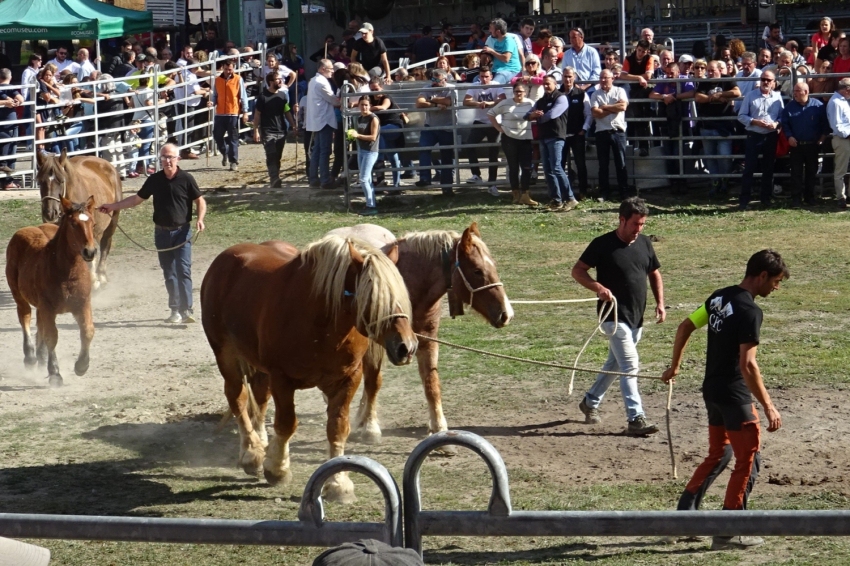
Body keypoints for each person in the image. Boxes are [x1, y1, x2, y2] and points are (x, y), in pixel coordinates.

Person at [662, 250, 788, 550]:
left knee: (720, 453)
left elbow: (685, 326)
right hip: (734, 396)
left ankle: (685, 518)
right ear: (761, 276)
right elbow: (748, 365)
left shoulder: (720, 298)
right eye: (776, 281)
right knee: (748, 459)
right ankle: (729, 531)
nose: (776, 288)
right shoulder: (750, 311)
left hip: (712, 391)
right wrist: (769, 405)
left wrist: (675, 365)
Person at [572, 197, 665, 436]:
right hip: (612, 317)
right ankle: (636, 419)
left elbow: (654, 273)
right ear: (622, 220)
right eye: (635, 224)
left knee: (615, 364)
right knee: (629, 365)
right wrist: (598, 288)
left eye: (642, 224)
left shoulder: (644, 243)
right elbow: (578, 271)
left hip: (636, 316)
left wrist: (660, 303)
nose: (639, 229)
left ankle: (590, 401)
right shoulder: (602, 244)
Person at [98, 143, 206, 324]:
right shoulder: (155, 180)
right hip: (162, 233)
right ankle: (175, 310)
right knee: (169, 272)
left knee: (183, 270)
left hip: (182, 232)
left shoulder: (186, 179)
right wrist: (113, 206)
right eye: (164, 157)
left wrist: (200, 219)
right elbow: (136, 199)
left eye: (171, 157)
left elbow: (200, 201)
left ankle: (186, 310)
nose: (167, 161)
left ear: (178, 159)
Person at [527, 75, 578, 211]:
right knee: (548, 169)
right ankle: (556, 200)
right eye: (544, 84)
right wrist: (532, 115)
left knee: (556, 167)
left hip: (556, 136)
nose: (546, 86)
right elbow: (527, 115)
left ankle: (570, 198)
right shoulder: (541, 101)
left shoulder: (561, 98)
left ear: (555, 84)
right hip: (543, 137)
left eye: (548, 83)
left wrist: (537, 117)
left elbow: (552, 114)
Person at [737, 69, 783, 210]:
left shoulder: (777, 97)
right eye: (763, 79)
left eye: (769, 80)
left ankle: (765, 199)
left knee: (768, 169)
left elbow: (782, 116)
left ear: (773, 82)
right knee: (749, 168)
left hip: (770, 135)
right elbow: (741, 115)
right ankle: (744, 200)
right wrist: (754, 121)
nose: (766, 82)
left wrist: (776, 124)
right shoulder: (750, 96)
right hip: (754, 135)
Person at [695, 60, 741, 197]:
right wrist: (712, 98)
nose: (710, 73)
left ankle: (724, 181)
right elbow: (698, 97)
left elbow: (737, 92)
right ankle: (715, 182)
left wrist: (721, 94)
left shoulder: (727, 80)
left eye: (712, 70)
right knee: (710, 157)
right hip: (707, 126)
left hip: (724, 127)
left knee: (725, 157)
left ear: (720, 70)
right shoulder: (704, 82)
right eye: (708, 70)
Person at [649, 61, 696, 195]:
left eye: (672, 74)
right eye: (667, 73)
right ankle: (673, 182)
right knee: (669, 154)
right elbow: (652, 94)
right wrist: (664, 96)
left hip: (682, 122)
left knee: (680, 153)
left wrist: (674, 97)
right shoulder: (664, 82)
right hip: (667, 124)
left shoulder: (684, 80)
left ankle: (683, 182)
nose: (669, 76)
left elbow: (692, 93)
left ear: (678, 73)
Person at [488, 82, 537, 206]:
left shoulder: (530, 104)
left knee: (526, 167)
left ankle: (525, 194)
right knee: (513, 167)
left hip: (525, 138)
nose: (518, 94)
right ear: (513, 92)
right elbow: (491, 113)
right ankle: (515, 194)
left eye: (521, 91)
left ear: (525, 92)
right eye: (516, 91)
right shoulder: (505, 103)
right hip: (509, 138)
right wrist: (498, 128)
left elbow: (535, 117)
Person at [781, 81, 828, 207]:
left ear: (806, 92)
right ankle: (796, 198)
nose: (794, 93)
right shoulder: (790, 107)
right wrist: (789, 136)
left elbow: (825, 124)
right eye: (794, 91)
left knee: (811, 172)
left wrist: (822, 138)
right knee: (796, 172)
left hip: (812, 145)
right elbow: (785, 124)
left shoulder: (818, 106)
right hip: (796, 145)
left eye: (797, 91)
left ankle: (810, 197)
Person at [414, 68, 456, 195]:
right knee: (423, 148)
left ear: (445, 79)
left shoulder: (451, 87)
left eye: (437, 80)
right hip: (430, 126)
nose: (434, 82)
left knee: (447, 156)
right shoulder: (427, 87)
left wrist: (431, 99)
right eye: (433, 79)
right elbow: (419, 103)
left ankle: (447, 186)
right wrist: (436, 105)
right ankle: (425, 178)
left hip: (448, 127)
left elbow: (449, 101)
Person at [463, 66, 504, 192]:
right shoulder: (475, 85)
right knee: (469, 145)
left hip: (494, 122)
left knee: (493, 152)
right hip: (480, 121)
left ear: (491, 76)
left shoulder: (496, 85)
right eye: (482, 76)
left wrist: (490, 103)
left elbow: (502, 98)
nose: (484, 79)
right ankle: (476, 174)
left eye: (487, 76)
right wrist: (478, 104)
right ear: (479, 77)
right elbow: (466, 101)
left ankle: (492, 183)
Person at [253, 71, 296, 188]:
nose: (280, 81)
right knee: (271, 154)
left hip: (281, 130)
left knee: (277, 156)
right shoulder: (263, 97)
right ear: (271, 82)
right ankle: (274, 178)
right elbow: (257, 114)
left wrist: (293, 124)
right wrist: (256, 130)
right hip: (267, 131)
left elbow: (286, 111)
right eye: (277, 79)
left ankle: (275, 175)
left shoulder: (282, 96)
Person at [591, 69, 629, 201]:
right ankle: (604, 193)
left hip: (618, 132)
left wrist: (605, 107)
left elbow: (623, 107)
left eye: (606, 78)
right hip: (601, 132)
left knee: (621, 163)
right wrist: (613, 108)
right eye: (601, 78)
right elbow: (595, 113)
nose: (603, 80)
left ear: (612, 78)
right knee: (603, 165)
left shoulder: (620, 91)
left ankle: (624, 193)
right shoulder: (595, 94)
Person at [208, 58, 249, 172]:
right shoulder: (217, 80)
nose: (228, 71)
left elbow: (243, 96)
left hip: (233, 113)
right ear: (223, 68)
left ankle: (233, 161)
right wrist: (212, 102)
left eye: (230, 69)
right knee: (217, 135)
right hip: (220, 113)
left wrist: (245, 111)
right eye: (226, 69)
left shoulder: (238, 79)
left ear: (233, 69)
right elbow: (215, 96)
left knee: (233, 138)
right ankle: (225, 152)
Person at [306, 59, 340, 190]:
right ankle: (325, 180)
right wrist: (341, 100)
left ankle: (314, 179)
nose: (332, 71)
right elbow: (333, 100)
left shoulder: (314, 80)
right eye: (330, 68)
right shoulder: (321, 82)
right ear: (322, 69)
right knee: (324, 151)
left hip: (317, 119)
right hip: (323, 120)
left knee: (317, 150)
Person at [368, 77, 405, 188]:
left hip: (394, 126)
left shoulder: (386, 96)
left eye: (376, 89)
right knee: (393, 155)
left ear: (381, 87)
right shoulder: (369, 97)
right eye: (372, 89)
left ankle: (379, 159)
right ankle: (396, 184)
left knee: (379, 133)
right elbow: (360, 103)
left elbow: (383, 107)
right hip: (383, 130)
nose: (374, 92)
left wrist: (369, 108)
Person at [620, 40, 656, 156]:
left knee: (644, 118)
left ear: (647, 51)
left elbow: (648, 75)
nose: (641, 53)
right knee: (638, 118)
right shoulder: (629, 59)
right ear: (637, 48)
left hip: (645, 90)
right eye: (639, 50)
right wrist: (640, 78)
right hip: (635, 91)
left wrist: (636, 78)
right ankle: (641, 146)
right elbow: (622, 75)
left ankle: (646, 146)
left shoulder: (649, 58)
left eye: (644, 51)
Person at [562, 66, 592, 199]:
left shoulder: (581, 94)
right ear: (562, 77)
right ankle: (563, 192)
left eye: (570, 76)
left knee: (580, 163)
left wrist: (584, 129)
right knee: (560, 164)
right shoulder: (558, 93)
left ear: (574, 77)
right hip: (561, 135)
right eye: (565, 76)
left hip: (577, 135)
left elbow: (589, 114)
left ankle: (583, 191)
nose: (568, 79)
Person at [349, 96, 381, 216]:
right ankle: (370, 203)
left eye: (366, 105)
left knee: (363, 179)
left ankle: (371, 206)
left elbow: (373, 137)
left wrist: (357, 136)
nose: (364, 107)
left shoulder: (373, 118)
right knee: (367, 179)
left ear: (370, 106)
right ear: (359, 106)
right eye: (362, 105)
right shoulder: (360, 118)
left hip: (371, 151)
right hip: (361, 150)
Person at [827, 77, 850, 210]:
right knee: (841, 169)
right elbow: (836, 125)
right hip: (843, 139)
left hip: (846, 138)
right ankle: (840, 197)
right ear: (847, 90)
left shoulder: (844, 101)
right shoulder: (836, 102)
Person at [0, 69, 22, 190]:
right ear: (11, 77)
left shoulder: (9, 88)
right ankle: (7, 181)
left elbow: (21, 99)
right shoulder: (9, 88)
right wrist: (7, 102)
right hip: (8, 125)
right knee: (10, 149)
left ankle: (7, 181)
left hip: (9, 124)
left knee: (9, 148)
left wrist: (12, 101)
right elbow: (21, 98)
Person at [483, 18, 523, 85]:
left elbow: (506, 58)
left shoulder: (509, 41)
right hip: (496, 70)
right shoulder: (497, 41)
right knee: (477, 79)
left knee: (494, 84)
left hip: (509, 70)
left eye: (491, 29)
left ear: (498, 32)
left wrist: (492, 51)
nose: (489, 30)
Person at [562, 27, 601, 93]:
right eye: (570, 37)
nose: (571, 40)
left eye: (574, 37)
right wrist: (575, 85)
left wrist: (586, 85)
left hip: (590, 89)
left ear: (581, 37)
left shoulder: (592, 52)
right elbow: (564, 71)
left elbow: (596, 72)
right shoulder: (566, 54)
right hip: (572, 89)